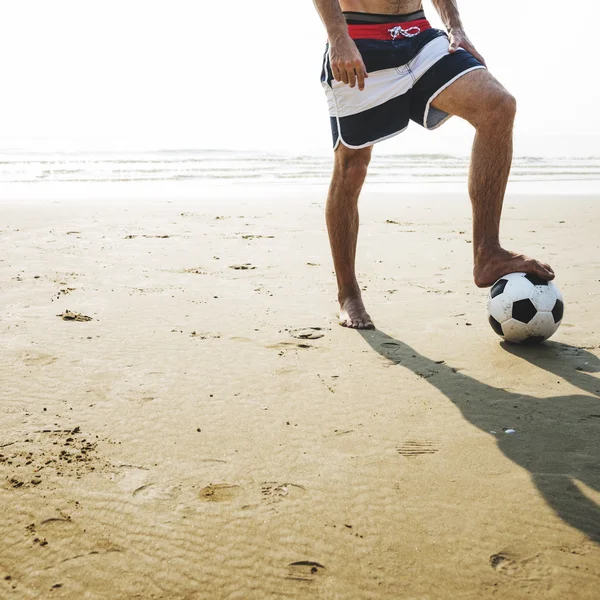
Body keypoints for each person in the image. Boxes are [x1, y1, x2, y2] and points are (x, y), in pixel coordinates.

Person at [313, 0, 555, 329]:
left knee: (497, 106)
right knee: (352, 167)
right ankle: (348, 293)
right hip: (359, 36)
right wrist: (337, 35)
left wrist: (455, 26)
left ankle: (487, 252)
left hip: (420, 35)